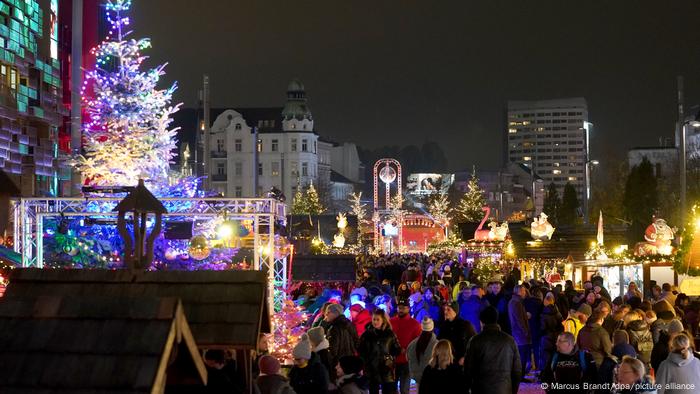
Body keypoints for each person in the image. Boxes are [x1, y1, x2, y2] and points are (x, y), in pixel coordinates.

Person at [464, 306, 521, 394]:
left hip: (481, 389)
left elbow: (468, 369)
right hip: (504, 389)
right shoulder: (510, 341)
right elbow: (517, 370)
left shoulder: (475, 341)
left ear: (482, 322)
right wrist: (512, 390)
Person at [358, 309, 402, 394]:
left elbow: (396, 349)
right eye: (374, 319)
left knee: (388, 391)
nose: (375, 322)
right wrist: (366, 361)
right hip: (372, 369)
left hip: (386, 369)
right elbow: (360, 350)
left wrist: (390, 356)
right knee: (373, 391)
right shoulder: (366, 334)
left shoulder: (390, 334)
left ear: (383, 320)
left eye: (378, 319)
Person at [390, 299, 422, 394]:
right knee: (392, 389)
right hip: (392, 361)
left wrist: (408, 351)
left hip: (406, 362)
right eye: (399, 307)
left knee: (404, 389)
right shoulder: (391, 322)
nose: (401, 310)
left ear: (408, 308)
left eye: (403, 308)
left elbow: (417, 343)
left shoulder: (415, 324)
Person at [407, 317, 438, 392]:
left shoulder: (412, 344)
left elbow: (408, 357)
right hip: (432, 378)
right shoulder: (437, 344)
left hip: (418, 377)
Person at [325, 302, 359, 368]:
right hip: (350, 359)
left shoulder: (334, 328)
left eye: (328, 312)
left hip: (338, 364)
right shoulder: (349, 324)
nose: (326, 314)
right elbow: (356, 341)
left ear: (335, 313)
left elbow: (333, 350)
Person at [509, 285, 532, 379]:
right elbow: (519, 320)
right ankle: (520, 375)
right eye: (523, 291)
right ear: (518, 291)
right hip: (520, 334)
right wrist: (526, 331)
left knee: (522, 354)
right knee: (522, 355)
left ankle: (521, 374)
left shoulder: (515, 301)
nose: (525, 293)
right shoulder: (516, 303)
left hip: (519, 333)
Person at [540, 292, 563, 377]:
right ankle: (554, 373)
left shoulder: (543, 313)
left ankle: (546, 373)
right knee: (555, 354)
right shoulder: (557, 312)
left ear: (546, 302)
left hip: (546, 337)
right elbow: (561, 324)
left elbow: (542, 327)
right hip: (556, 336)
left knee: (545, 356)